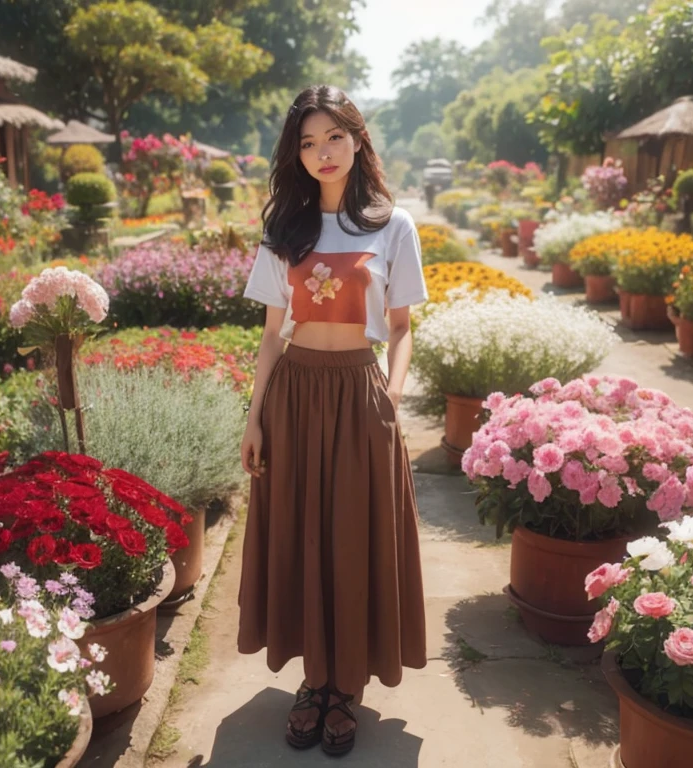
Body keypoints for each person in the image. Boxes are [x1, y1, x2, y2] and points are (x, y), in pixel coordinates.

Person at [238, 84, 428, 757]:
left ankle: (346, 685)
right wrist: (255, 419)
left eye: (334, 137)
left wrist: (393, 401)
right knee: (302, 533)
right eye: (308, 142)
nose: (322, 152)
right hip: (293, 397)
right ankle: (314, 682)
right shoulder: (284, 230)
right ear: (296, 152)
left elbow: (402, 328)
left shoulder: (391, 225)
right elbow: (269, 335)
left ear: (357, 140)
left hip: (359, 396)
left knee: (351, 536)